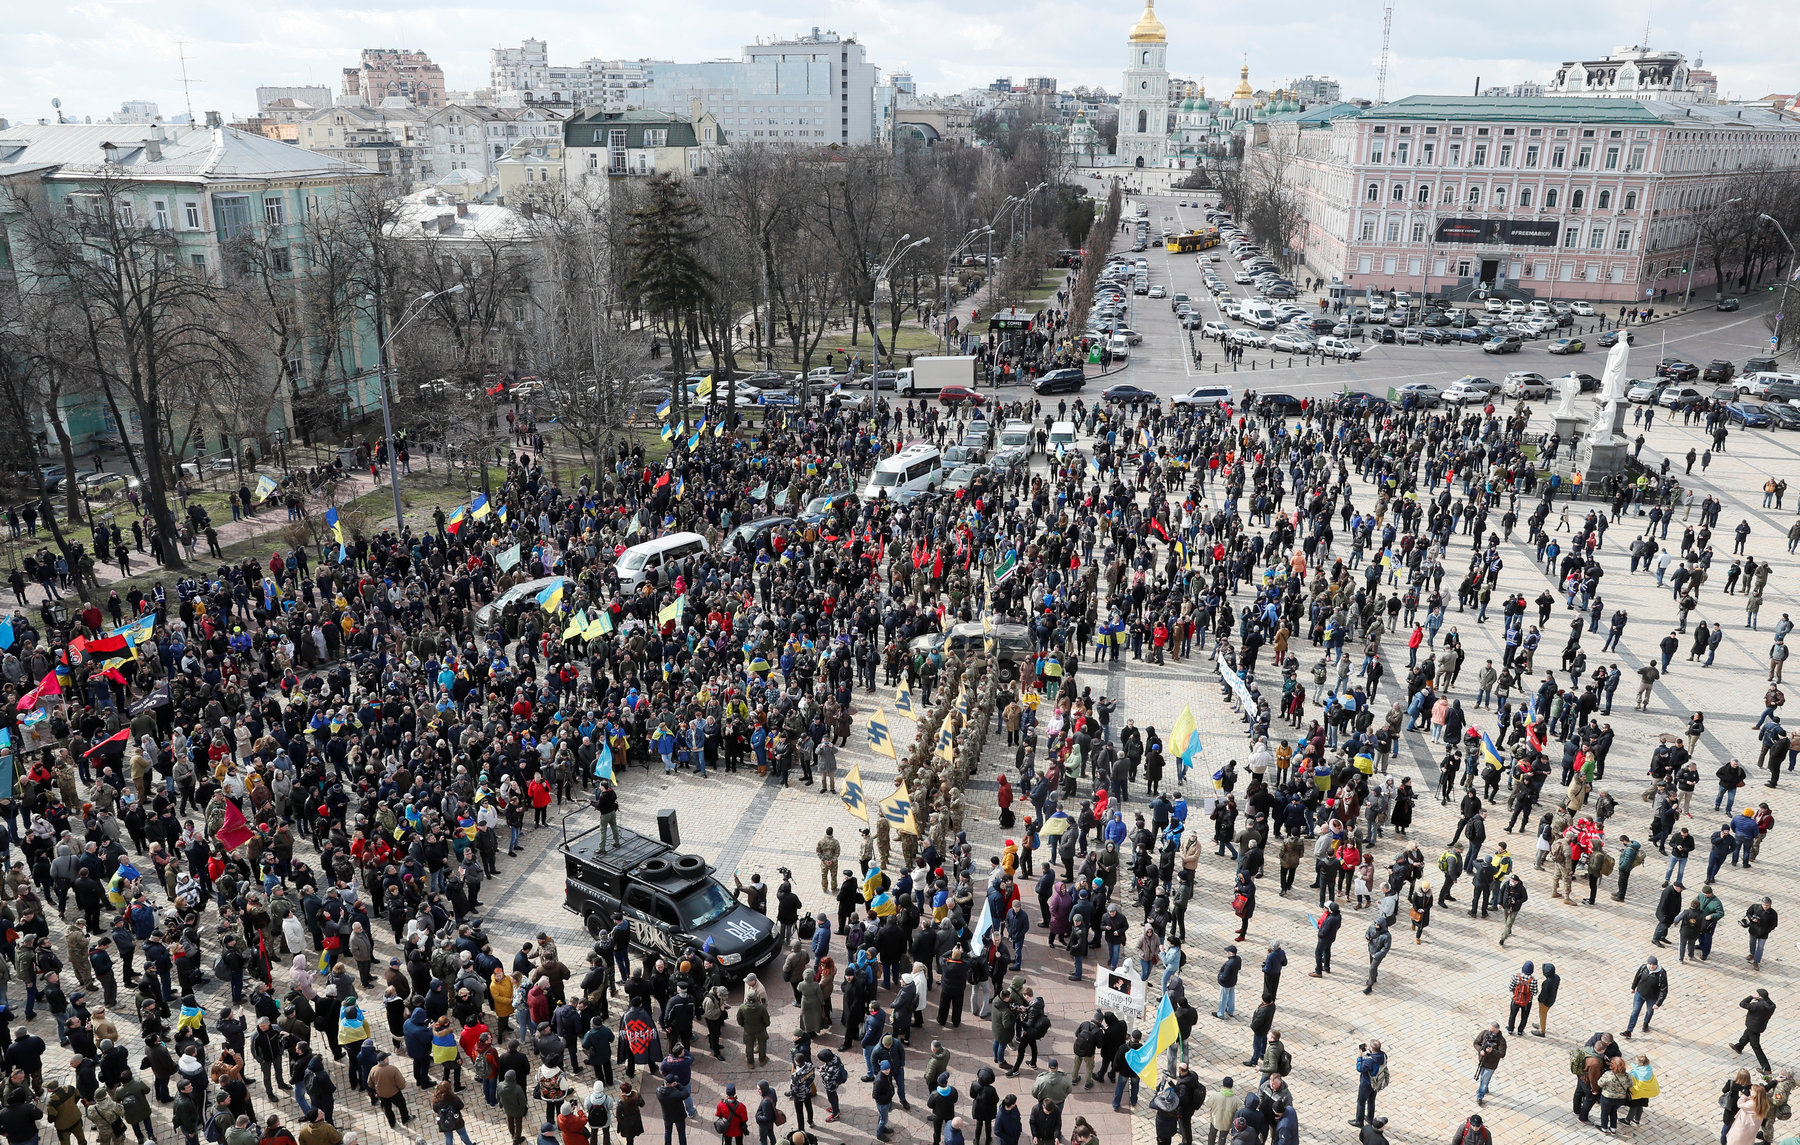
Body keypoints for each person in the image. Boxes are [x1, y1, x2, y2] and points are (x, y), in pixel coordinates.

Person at [1733, 990, 1777, 1072]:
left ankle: (1766, 1068)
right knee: (1746, 1035)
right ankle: (1738, 1047)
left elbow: (1742, 1004)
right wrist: (1762, 998)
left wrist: (1751, 997)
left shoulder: (1756, 1005)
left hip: (1753, 1027)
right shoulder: (1772, 1005)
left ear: (1760, 996)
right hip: (1759, 1026)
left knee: (1755, 1046)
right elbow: (1767, 1000)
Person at [1352, 1041, 1385, 1127]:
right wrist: (1370, 1051)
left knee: (1361, 1102)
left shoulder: (1369, 1061)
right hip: (1376, 1082)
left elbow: (1360, 1068)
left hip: (1366, 1084)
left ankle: (1359, 1122)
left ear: (1372, 1048)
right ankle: (1370, 1118)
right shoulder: (1383, 1055)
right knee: (1371, 1100)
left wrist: (1359, 1057)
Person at [1472, 1023, 1506, 1104]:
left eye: (1492, 1031)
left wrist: (1492, 1051)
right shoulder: (1484, 1033)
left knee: (1484, 1080)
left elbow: (1502, 1054)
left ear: (1497, 1030)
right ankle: (1485, 1089)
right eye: (1489, 1030)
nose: (1490, 1032)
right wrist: (1481, 1050)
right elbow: (1476, 1043)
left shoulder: (1501, 1040)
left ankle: (1479, 1096)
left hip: (1491, 1064)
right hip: (1482, 1061)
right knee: (1483, 1077)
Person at [432, 1080, 474, 1145]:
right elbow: (461, 1106)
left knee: (448, 1137)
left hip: (444, 1121)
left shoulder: (437, 1100)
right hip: (456, 1120)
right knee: (463, 1134)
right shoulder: (454, 1098)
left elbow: (435, 1109)